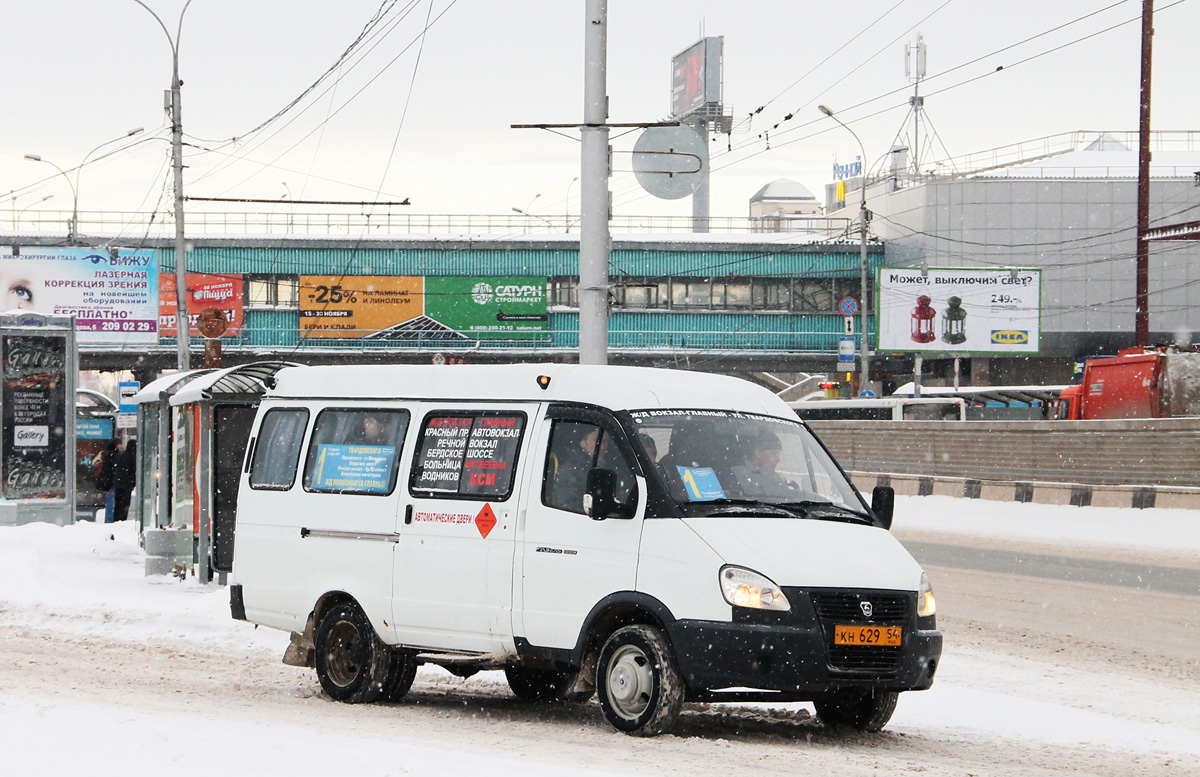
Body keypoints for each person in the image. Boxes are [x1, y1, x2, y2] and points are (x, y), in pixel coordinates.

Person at [735, 431, 798, 498]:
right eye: (773, 453)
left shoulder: (770, 474)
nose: (778, 459)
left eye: (778, 454)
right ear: (758, 452)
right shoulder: (738, 475)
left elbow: (788, 496)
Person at [111, 439, 137, 522]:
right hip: (127, 484)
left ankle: (116, 517)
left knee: (118, 502)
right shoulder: (134, 457)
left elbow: (114, 468)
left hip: (118, 483)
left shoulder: (119, 455)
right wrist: (133, 483)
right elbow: (133, 472)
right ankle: (122, 518)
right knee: (125, 502)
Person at [93, 441, 117, 523]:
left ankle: (108, 519)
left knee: (109, 501)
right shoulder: (114, 456)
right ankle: (111, 519)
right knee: (112, 501)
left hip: (106, 482)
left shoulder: (104, 456)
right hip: (112, 482)